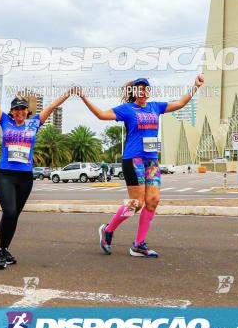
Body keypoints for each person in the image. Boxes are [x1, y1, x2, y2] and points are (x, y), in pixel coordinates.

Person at [79, 75, 203, 258]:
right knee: (136, 203)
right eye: (139, 88)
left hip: (151, 161)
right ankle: (108, 230)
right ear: (134, 91)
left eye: (145, 88)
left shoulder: (156, 107)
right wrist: (83, 96)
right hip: (133, 159)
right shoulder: (127, 109)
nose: (142, 90)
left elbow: (180, 104)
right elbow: (101, 115)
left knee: (152, 201)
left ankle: (138, 245)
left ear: (148, 91)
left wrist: (196, 86)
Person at [0, 70, 75, 269]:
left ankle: (5, 248)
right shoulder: (5, 121)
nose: (19, 112)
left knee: (14, 215)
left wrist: (67, 94)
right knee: (9, 212)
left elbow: (52, 106)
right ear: (11, 112)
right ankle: (1, 251)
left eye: (22, 109)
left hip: (25, 177)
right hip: (6, 175)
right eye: (16, 109)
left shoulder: (35, 123)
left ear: (28, 112)